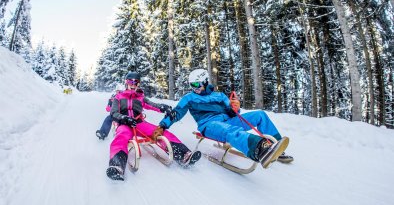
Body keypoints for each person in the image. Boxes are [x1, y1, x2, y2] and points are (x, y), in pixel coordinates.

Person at [155, 69, 293, 168]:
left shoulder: (219, 96)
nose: (194, 88)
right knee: (230, 130)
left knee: (260, 115)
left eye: (197, 84)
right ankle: (259, 150)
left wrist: (235, 107)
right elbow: (176, 113)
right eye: (192, 85)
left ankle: (276, 147)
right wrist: (163, 125)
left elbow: (233, 113)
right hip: (209, 125)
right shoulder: (189, 98)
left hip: (227, 119)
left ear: (205, 81)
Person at [106, 71, 201, 181]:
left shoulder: (140, 97)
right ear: (126, 83)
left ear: (138, 84)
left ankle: (184, 155)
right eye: (130, 81)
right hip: (125, 124)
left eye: (136, 82)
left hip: (139, 123)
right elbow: (113, 113)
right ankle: (117, 166)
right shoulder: (118, 97)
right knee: (121, 137)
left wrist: (163, 108)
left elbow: (152, 105)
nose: (133, 84)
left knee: (161, 132)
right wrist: (124, 118)